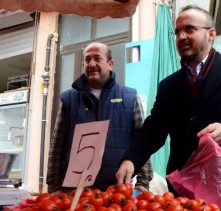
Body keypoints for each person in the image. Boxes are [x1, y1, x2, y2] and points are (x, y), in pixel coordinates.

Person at [116, 5, 221, 211]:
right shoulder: (168, 86)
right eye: (177, 31)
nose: (182, 36)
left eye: (190, 29)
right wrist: (131, 159)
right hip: (184, 201)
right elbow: (153, 131)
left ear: (211, 34)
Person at [47, 42, 153, 194]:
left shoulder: (129, 97)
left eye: (97, 58)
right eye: (87, 59)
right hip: (75, 192)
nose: (91, 64)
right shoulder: (69, 99)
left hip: (117, 191)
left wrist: (143, 181)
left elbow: (142, 141)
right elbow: (57, 145)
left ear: (110, 64)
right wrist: (54, 186)